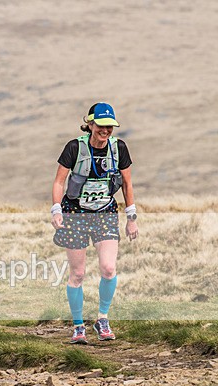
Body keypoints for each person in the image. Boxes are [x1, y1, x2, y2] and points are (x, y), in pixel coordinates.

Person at [51, 102, 138, 344]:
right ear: (90, 124)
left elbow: (127, 184)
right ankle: (78, 325)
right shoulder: (74, 148)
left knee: (108, 268)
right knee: (77, 273)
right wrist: (56, 209)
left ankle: (102, 318)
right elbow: (59, 182)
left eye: (110, 126)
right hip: (75, 213)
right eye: (101, 125)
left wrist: (131, 218)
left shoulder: (119, 148)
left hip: (105, 212)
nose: (106, 130)